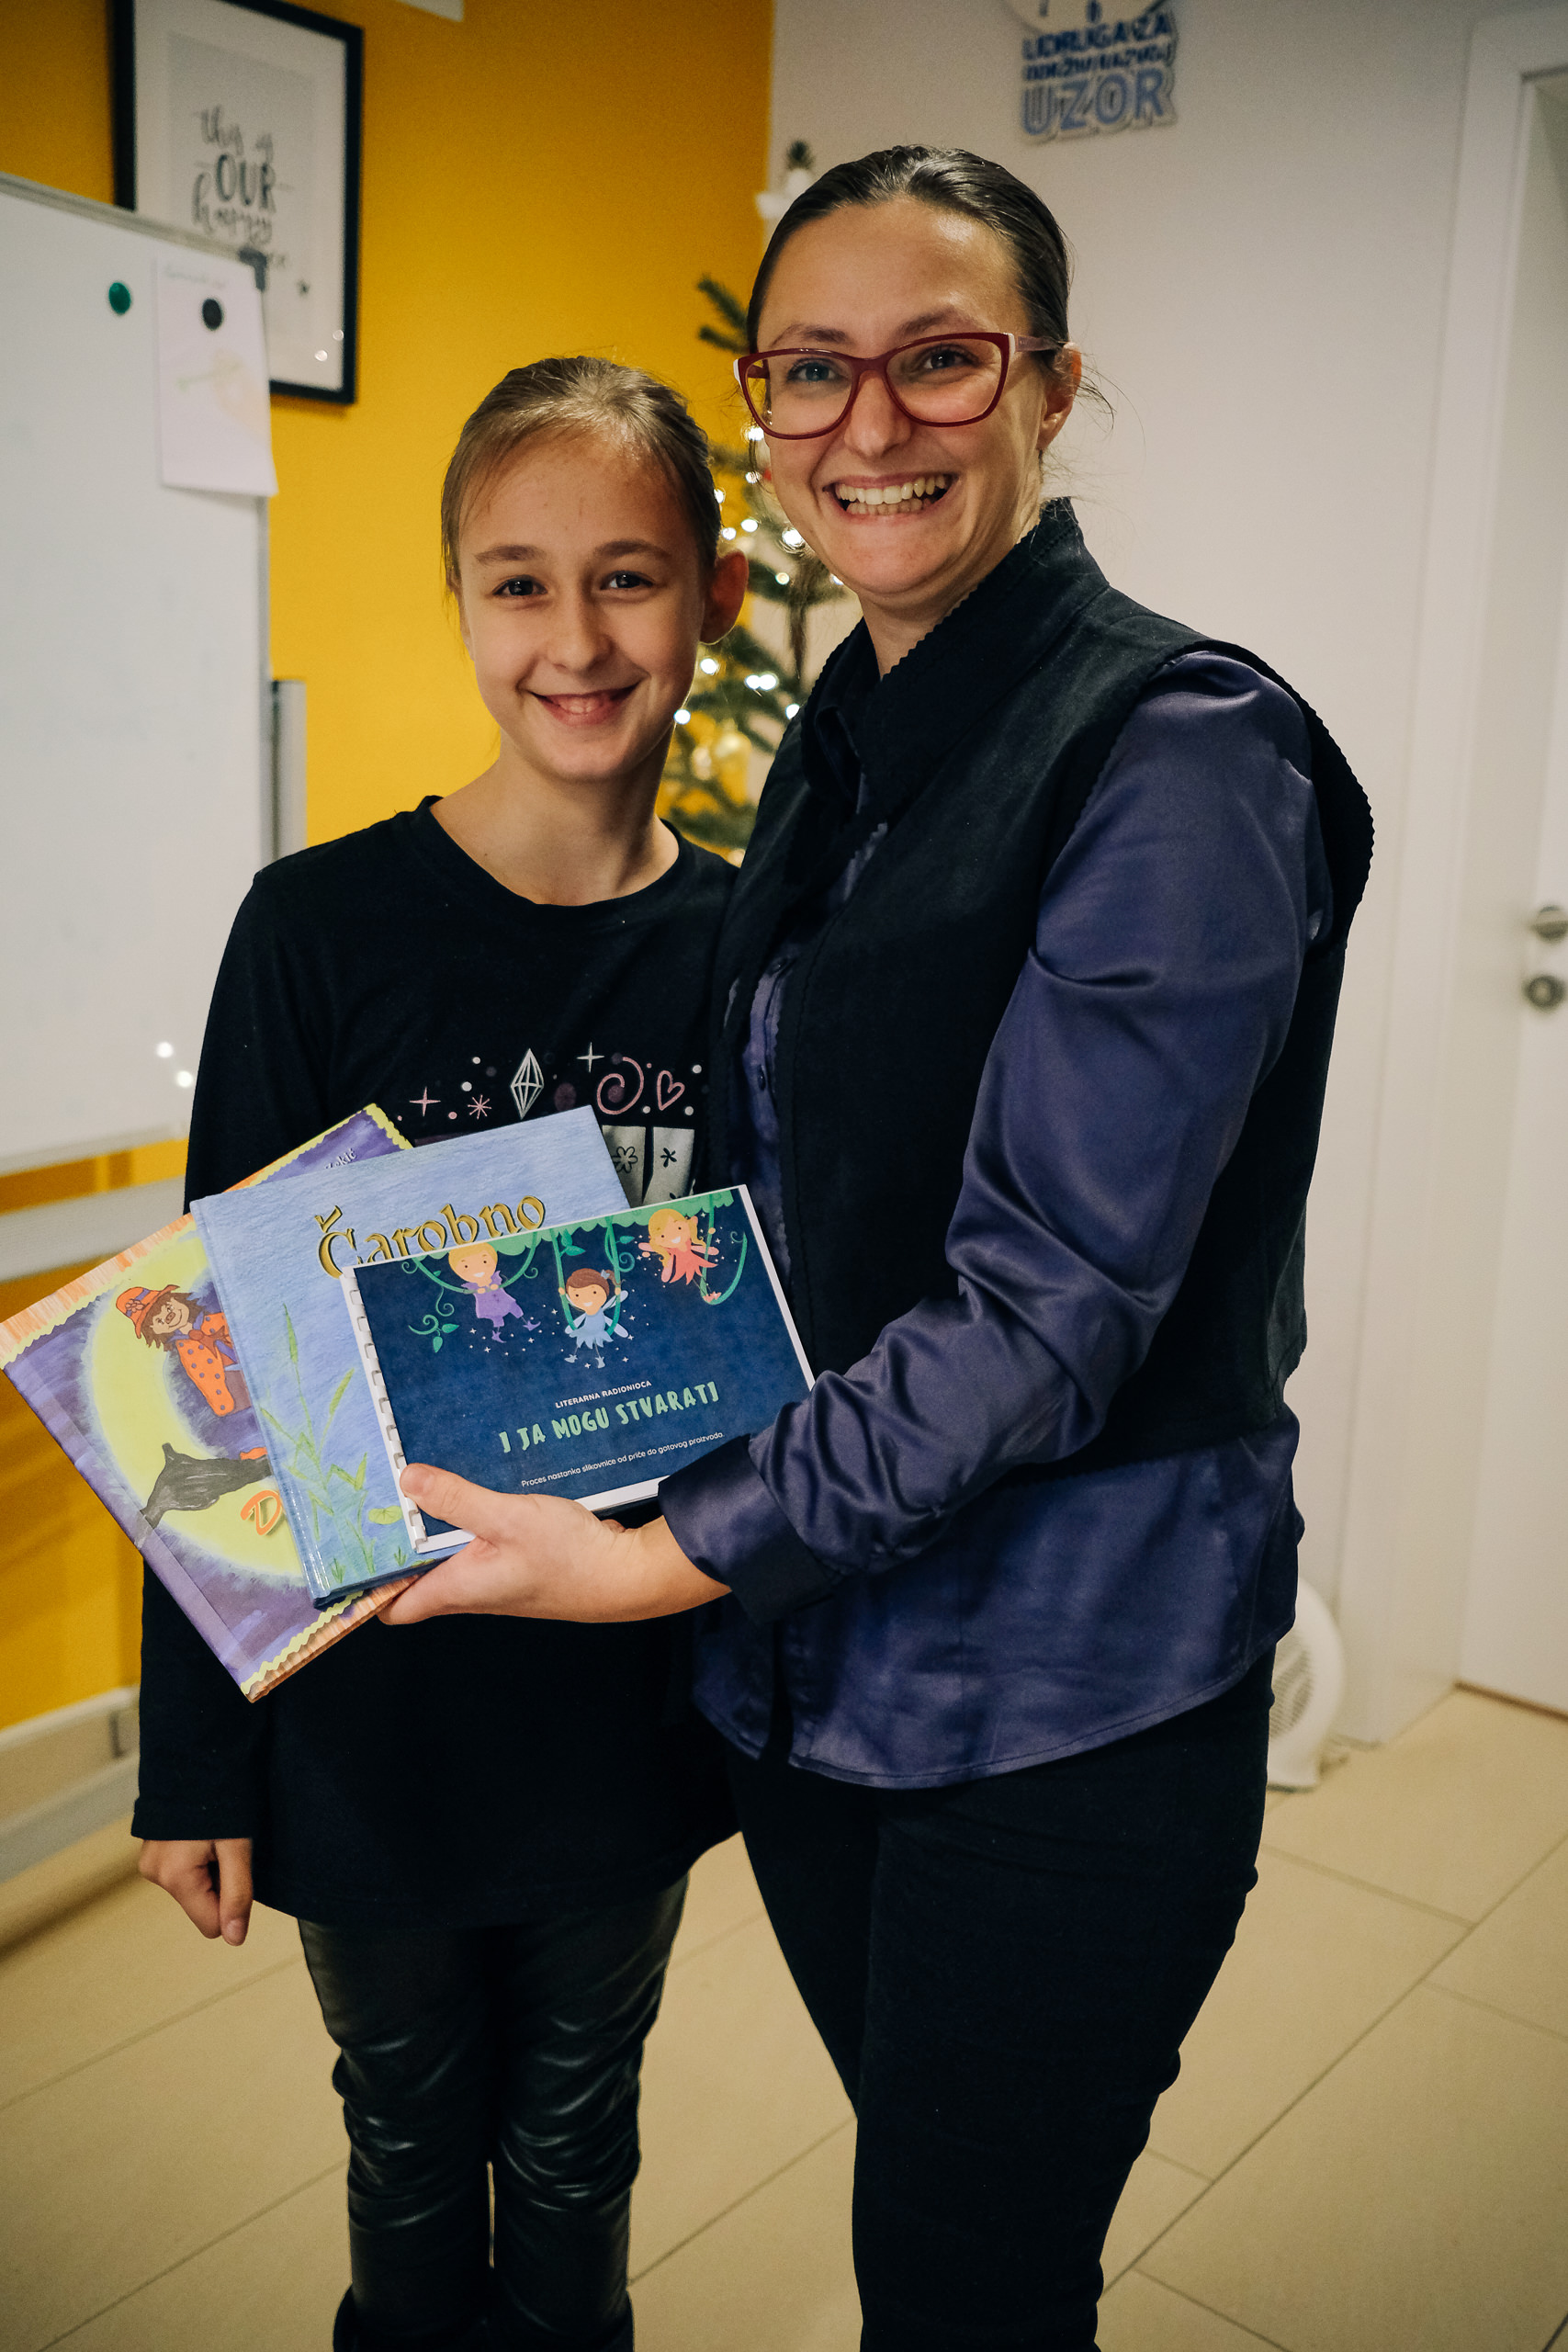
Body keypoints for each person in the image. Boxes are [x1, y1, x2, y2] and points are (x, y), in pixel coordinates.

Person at [380, 148, 1374, 2352]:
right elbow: (775, 1197)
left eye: (938, 358)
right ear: (762, 402)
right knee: (923, 2222)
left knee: (961, 2286)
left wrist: (659, 1554)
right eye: (808, 369)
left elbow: (1044, 1308)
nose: (867, 422)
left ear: (1049, 384)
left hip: (1062, 1704)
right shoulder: (835, 755)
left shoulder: (1177, 751)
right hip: (812, 1683)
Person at [134, 356, 749, 2352]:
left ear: (714, 595)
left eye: (628, 577)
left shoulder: (751, 949)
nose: (576, 640)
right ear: (461, 600)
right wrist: (197, 1755)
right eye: (519, 583)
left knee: (578, 2140)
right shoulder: (315, 931)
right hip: (369, 1712)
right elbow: (217, 1360)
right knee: (405, 2137)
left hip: (622, 1704)